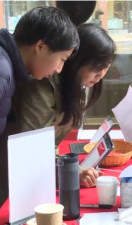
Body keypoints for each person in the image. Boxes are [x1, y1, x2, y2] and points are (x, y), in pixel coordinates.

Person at [11, 23, 116, 187]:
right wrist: (71, 172)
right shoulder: (42, 84)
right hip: (16, 177)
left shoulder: (75, 85)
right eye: (96, 67)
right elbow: (32, 148)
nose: (100, 75)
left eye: (106, 67)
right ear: (76, 61)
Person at [0, 6, 79, 206]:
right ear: (41, 46)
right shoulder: (3, 71)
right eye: (61, 59)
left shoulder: (7, 65)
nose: (58, 69)